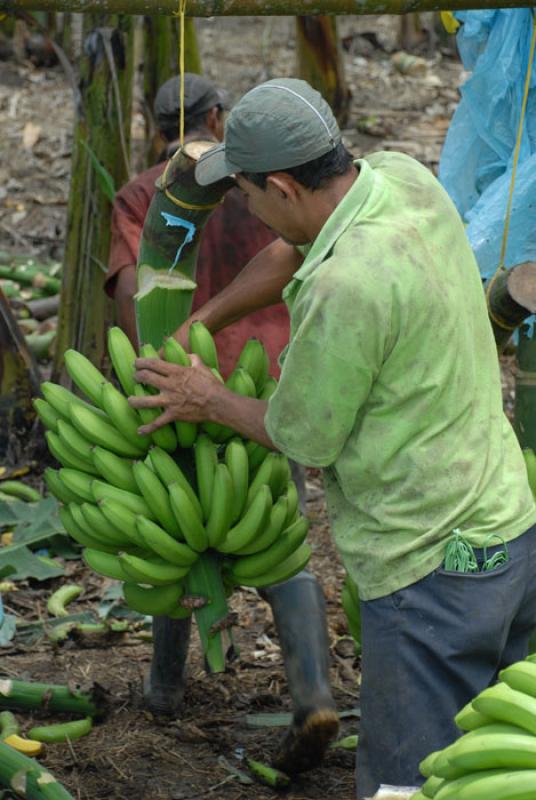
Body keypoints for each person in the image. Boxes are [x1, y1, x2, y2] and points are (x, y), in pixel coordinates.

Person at [129, 77, 536, 798]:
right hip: (507, 530)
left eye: (248, 196)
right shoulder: (400, 180)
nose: (247, 211)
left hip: (426, 567)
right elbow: (295, 250)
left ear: (283, 186)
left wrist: (208, 397)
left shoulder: (343, 289)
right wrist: (208, 319)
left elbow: (302, 438)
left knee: (415, 780)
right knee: (499, 761)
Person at [107, 74, 339, 774]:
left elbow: (127, 291)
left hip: (175, 391)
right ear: (217, 118)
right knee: (281, 539)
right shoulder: (264, 185)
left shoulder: (144, 193)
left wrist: (147, 367)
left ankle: (165, 688)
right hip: (265, 386)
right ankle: (314, 694)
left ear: (156, 126)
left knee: (172, 534)